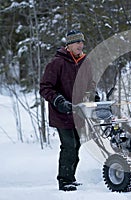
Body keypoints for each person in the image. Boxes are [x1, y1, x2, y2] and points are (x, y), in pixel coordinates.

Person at [40, 30, 95, 191]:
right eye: (77, 42)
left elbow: (90, 84)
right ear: (69, 45)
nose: (80, 45)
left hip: (79, 113)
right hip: (62, 113)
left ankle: (71, 178)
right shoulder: (57, 63)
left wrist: (92, 95)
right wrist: (59, 100)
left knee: (76, 145)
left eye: (82, 42)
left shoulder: (85, 62)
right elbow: (45, 88)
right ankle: (64, 181)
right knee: (69, 145)